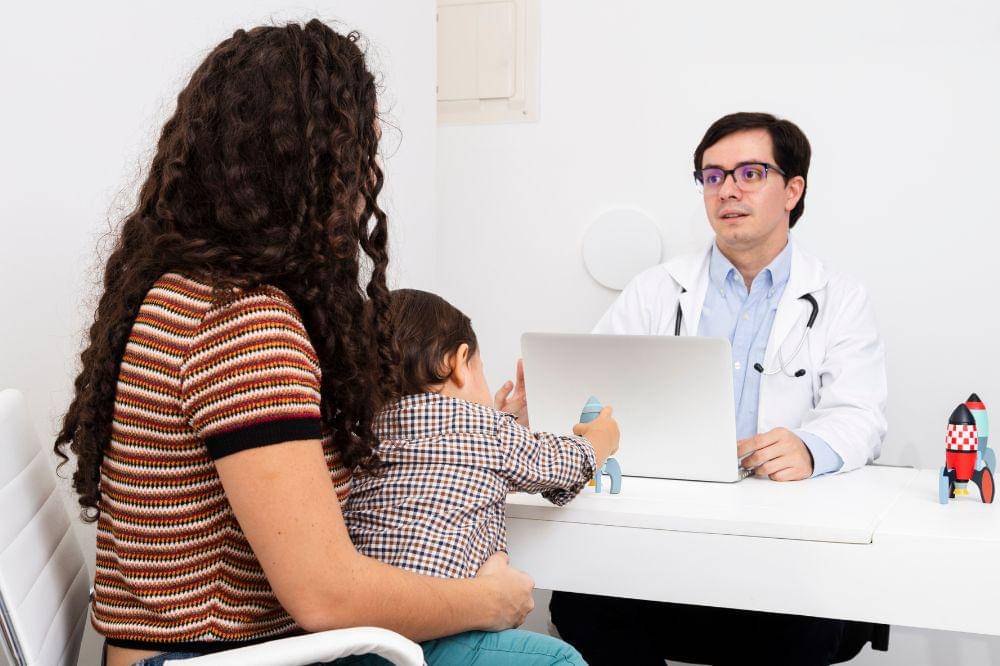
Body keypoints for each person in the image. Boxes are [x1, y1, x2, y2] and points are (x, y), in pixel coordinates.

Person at [55, 21, 547, 666]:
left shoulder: (193, 291)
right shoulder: (240, 322)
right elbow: (327, 596)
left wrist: (472, 430)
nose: (368, 177)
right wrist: (491, 600)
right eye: (357, 151)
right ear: (313, 164)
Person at [544, 112, 889, 665]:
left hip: (782, 543)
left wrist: (808, 447)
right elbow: (591, 392)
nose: (728, 189)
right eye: (713, 175)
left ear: (792, 190)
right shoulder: (658, 290)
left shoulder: (840, 297)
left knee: (801, 629)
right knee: (582, 603)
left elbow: (861, 414)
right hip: (666, 530)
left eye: (751, 173)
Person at [342, 289, 621, 663]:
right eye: (481, 368)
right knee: (561, 660)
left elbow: (448, 453)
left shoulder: (363, 432)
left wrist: (504, 422)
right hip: (438, 639)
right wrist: (600, 441)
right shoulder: (488, 432)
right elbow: (561, 465)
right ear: (458, 362)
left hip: (355, 643)